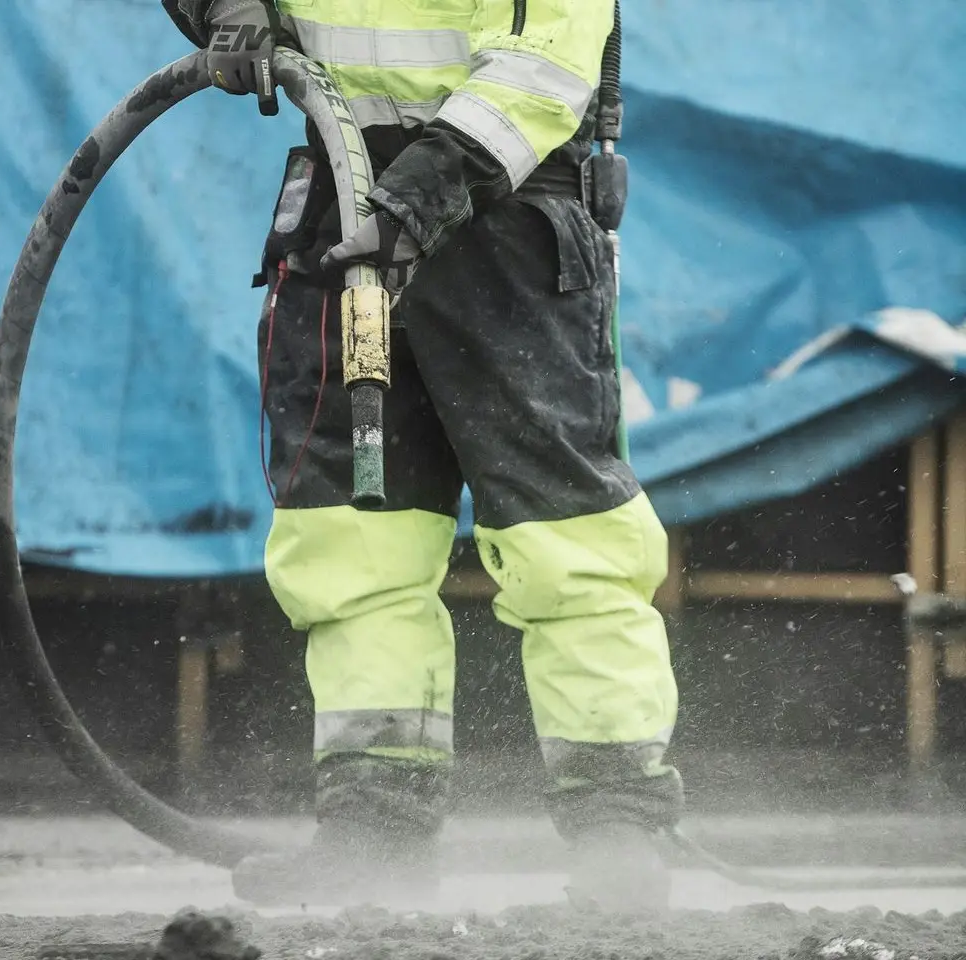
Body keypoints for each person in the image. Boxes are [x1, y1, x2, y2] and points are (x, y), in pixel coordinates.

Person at [162, 0, 684, 913]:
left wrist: (423, 194)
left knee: (565, 536)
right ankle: (373, 832)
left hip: (504, 212)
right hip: (342, 200)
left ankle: (617, 828)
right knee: (349, 536)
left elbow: (544, 64)